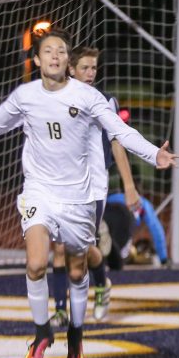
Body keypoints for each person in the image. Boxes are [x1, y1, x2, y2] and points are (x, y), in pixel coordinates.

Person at [0, 30, 178, 358]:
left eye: (61, 51)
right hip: (39, 193)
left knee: (77, 271)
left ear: (67, 61)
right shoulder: (26, 96)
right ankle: (42, 333)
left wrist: (155, 154)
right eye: (47, 51)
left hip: (78, 197)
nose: (54, 56)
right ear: (36, 60)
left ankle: (76, 339)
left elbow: (119, 133)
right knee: (36, 264)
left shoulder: (88, 97)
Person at [68, 46, 143, 321]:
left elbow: (117, 142)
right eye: (85, 68)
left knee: (83, 250)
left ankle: (100, 285)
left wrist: (129, 185)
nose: (90, 74)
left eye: (94, 68)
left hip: (92, 187)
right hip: (61, 186)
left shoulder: (104, 101)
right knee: (56, 249)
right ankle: (62, 313)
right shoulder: (53, 100)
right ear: (71, 69)